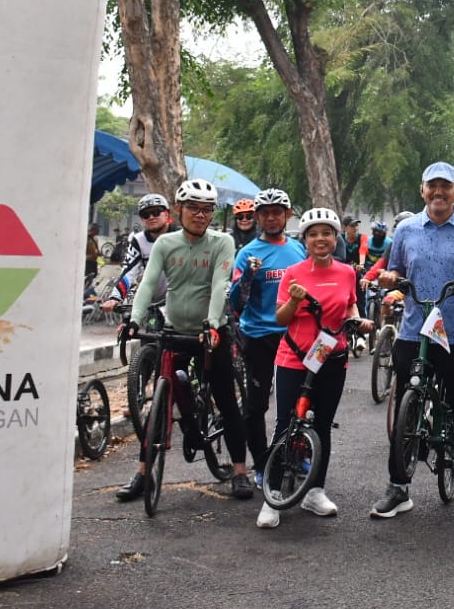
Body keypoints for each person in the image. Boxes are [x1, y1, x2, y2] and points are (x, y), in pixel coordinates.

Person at [370, 163, 454, 524]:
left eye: (446, 186)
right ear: (422, 190)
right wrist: (388, 278)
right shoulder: (407, 229)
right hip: (415, 331)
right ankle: (398, 487)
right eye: (433, 186)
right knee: (404, 406)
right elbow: (395, 270)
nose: (439, 192)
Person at [115, 180, 251, 502]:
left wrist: (214, 323)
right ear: (179, 209)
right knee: (160, 401)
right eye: (193, 207)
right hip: (174, 329)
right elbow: (148, 284)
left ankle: (240, 471)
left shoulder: (223, 242)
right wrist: (134, 319)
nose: (200, 215)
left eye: (207, 209)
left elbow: (220, 285)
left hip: (211, 329)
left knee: (227, 401)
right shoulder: (165, 244)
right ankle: (143, 473)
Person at [257, 207, 372, 528]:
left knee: (322, 426)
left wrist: (357, 320)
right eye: (313, 234)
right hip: (294, 357)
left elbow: (349, 304)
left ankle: (314, 492)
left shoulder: (347, 272)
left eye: (326, 233)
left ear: (336, 237)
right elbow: (280, 319)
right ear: (304, 239)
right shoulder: (293, 272)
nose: (320, 239)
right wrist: (293, 301)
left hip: (332, 357)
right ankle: (273, 497)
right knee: (284, 425)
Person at [227, 188, 305, 487]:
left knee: (297, 401)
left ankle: (295, 454)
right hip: (258, 336)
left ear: (287, 215)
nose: (271, 218)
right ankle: (261, 464)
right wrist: (247, 276)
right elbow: (237, 303)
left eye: (277, 212)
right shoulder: (247, 253)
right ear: (258, 217)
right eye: (265, 213)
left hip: (294, 336)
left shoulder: (298, 249)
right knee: (256, 405)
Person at [103, 193, 171, 310]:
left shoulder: (182, 236)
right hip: (152, 302)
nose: (151, 217)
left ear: (166, 214)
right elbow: (128, 272)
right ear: (141, 219)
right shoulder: (139, 240)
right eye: (145, 214)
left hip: (180, 302)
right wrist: (115, 297)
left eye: (156, 212)